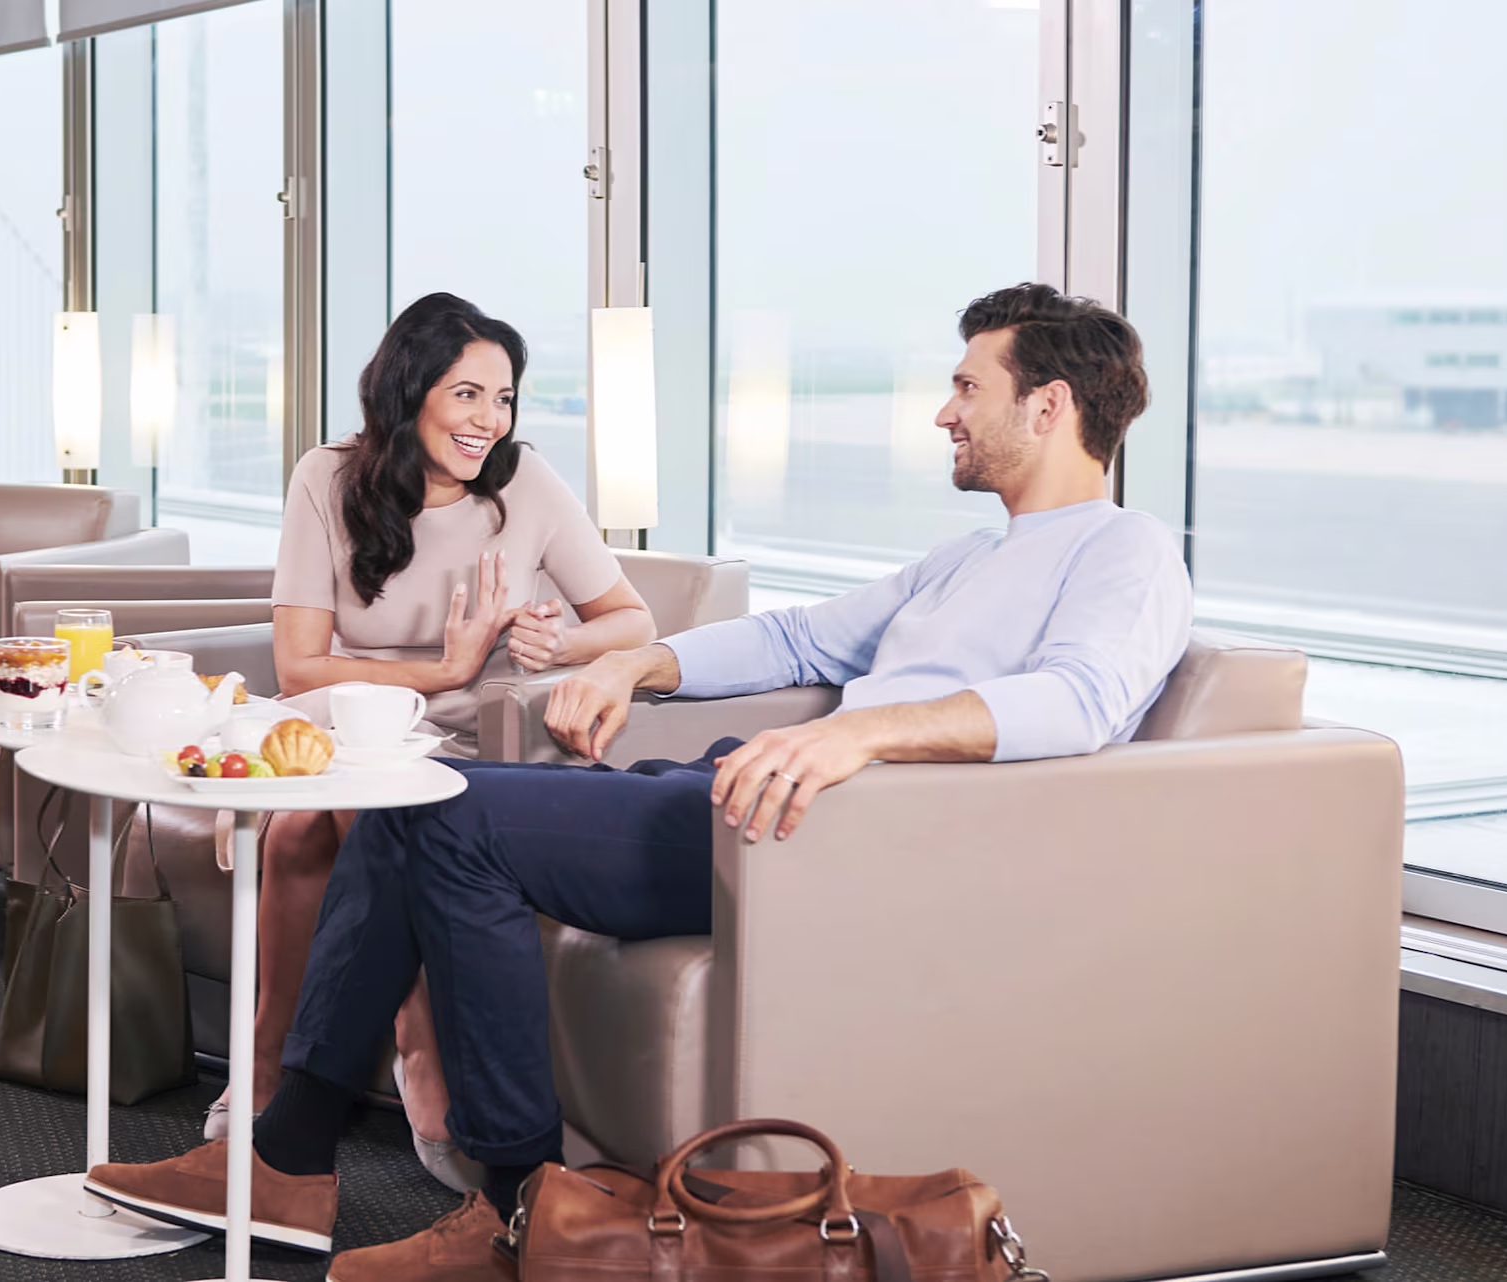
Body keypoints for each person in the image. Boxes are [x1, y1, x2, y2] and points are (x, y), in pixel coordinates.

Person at [83, 283, 1195, 1276]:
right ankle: (306, 1163)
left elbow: (1082, 700)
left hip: (836, 831)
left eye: (968, 385)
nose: (946, 411)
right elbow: (804, 641)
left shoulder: (1127, 551)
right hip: (750, 796)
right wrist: (637, 660)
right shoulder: (971, 554)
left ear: (1048, 406)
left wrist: (867, 737)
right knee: (413, 808)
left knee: (442, 815)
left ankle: (503, 1204)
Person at [199, 292, 657, 1191]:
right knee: (324, 813)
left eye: (506, 398)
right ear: (411, 392)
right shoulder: (325, 478)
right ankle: (403, 1060)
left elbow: (632, 618)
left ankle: (289, 1081)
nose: (492, 420)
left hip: (474, 737)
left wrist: (557, 643)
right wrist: (441, 671)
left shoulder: (526, 485)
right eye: (468, 395)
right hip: (347, 714)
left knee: (320, 823)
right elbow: (298, 668)